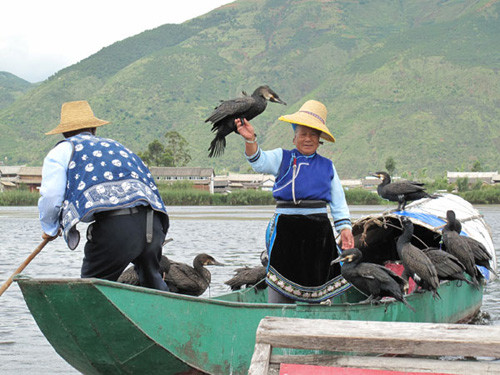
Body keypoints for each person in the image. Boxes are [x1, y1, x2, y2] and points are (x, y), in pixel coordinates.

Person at [38, 100, 170, 291]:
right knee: (154, 286)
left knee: (92, 289)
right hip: (155, 221)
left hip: (117, 226)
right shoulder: (115, 146)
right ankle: (167, 317)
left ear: (64, 133)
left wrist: (49, 228)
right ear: (93, 129)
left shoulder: (63, 150)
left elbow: (51, 196)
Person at [235, 99, 354, 303]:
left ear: (319, 139)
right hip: (286, 230)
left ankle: (316, 325)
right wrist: (250, 140)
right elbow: (259, 161)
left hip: (319, 233)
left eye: (313, 135)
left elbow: (338, 201)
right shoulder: (283, 158)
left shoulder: (327, 166)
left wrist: (345, 228)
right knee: (280, 282)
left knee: (318, 284)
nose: (308, 139)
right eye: (303, 134)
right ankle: (277, 322)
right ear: (294, 137)